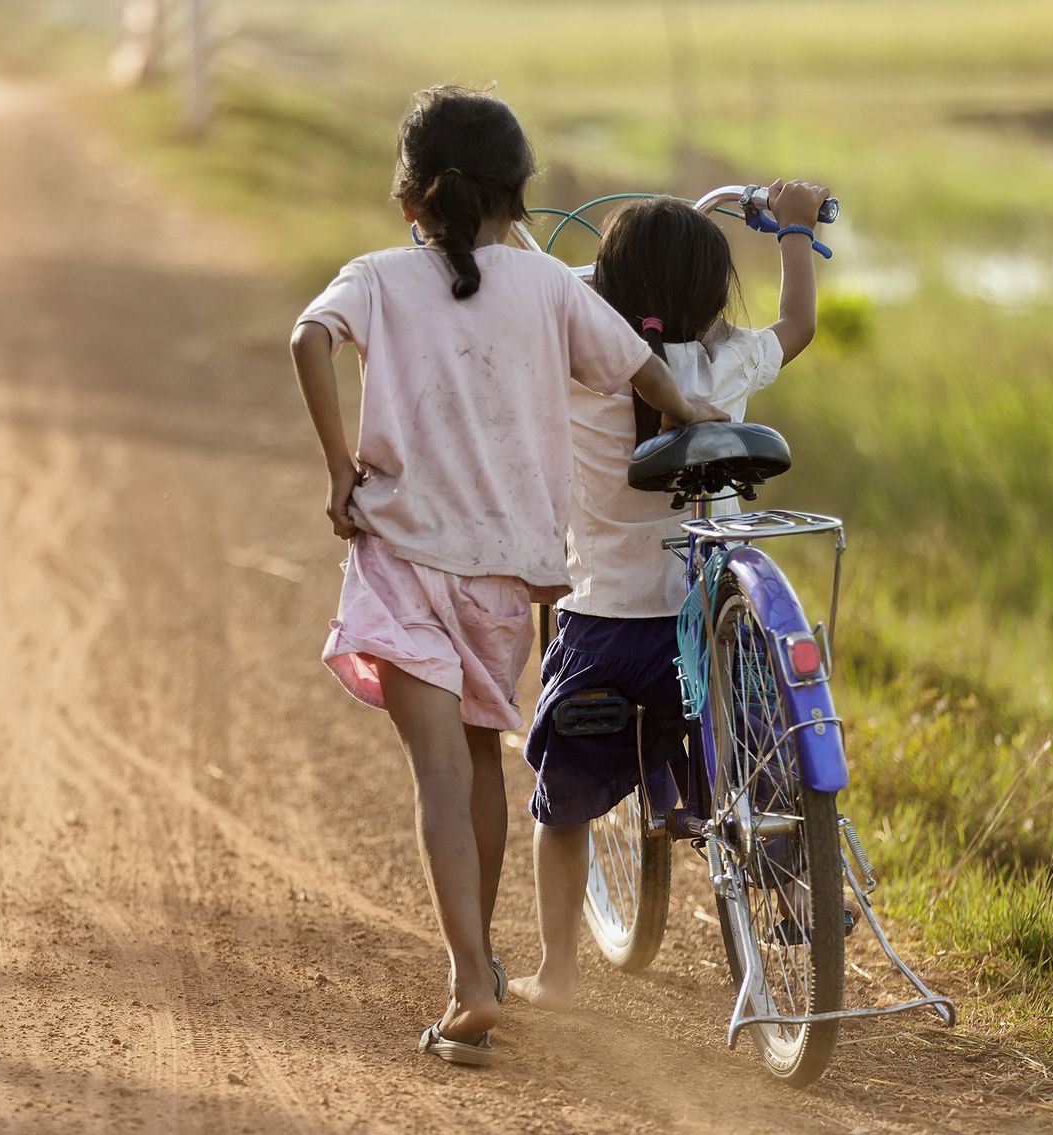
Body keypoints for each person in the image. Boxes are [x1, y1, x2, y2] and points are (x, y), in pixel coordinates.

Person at [289, 86, 726, 1065]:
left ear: (412, 202)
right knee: (481, 760)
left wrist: (338, 468)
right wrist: (700, 419)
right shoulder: (553, 291)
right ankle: (477, 962)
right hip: (503, 577)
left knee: (437, 774)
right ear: (519, 205)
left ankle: (469, 979)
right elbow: (645, 375)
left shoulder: (375, 277)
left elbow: (306, 339)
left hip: (403, 557)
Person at [509, 180, 831, 1011]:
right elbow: (799, 323)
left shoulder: (583, 358)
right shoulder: (731, 358)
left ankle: (559, 972)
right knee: (765, 757)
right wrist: (793, 229)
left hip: (610, 622)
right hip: (715, 629)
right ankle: (797, 894)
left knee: (564, 798)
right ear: (714, 293)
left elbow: (548, 293)